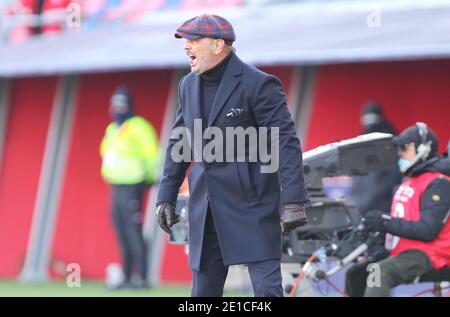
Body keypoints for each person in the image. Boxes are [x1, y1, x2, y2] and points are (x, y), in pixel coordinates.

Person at [155, 14, 310, 297]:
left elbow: (285, 143)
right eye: (185, 41)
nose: (186, 47)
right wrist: (165, 196)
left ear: (218, 45)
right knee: (202, 295)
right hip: (206, 207)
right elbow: (180, 144)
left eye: (194, 40)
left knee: (266, 292)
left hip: (253, 205)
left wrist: (293, 199)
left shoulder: (259, 84)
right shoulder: (187, 86)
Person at [345, 123, 450, 297]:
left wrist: (384, 221)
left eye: (405, 148)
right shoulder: (411, 179)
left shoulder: (439, 183)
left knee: (379, 272)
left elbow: (428, 230)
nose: (400, 153)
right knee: (355, 274)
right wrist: (382, 244)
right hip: (406, 251)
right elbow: (402, 222)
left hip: (432, 255)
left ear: (423, 149)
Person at [100, 86, 160, 289]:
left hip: (134, 183)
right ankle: (126, 275)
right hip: (116, 184)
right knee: (121, 230)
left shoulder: (138, 126)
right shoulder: (112, 128)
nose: (118, 108)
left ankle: (142, 276)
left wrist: (151, 177)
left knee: (134, 230)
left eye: (122, 104)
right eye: (115, 104)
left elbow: (151, 153)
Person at [350, 101, 402, 215]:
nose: (369, 121)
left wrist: (373, 195)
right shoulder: (364, 138)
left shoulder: (388, 140)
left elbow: (394, 174)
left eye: (372, 117)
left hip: (379, 205)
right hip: (362, 202)